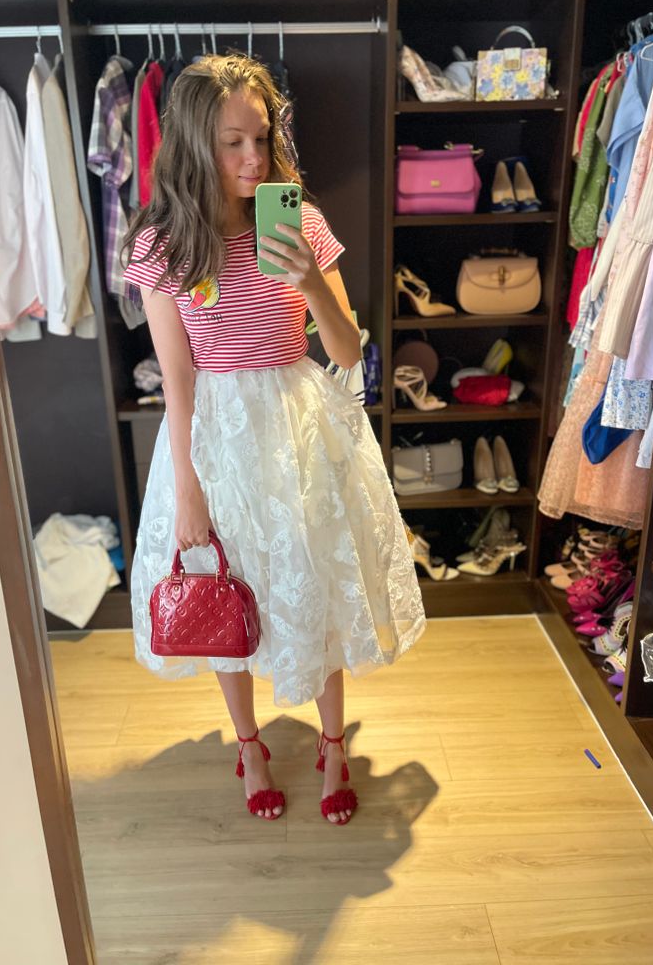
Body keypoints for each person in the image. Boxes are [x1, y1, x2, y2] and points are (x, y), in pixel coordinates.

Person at [123, 54, 426, 826]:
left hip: (300, 426)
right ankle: (250, 744)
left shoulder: (302, 224)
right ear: (195, 143)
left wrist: (311, 282)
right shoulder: (163, 245)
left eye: (261, 137)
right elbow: (178, 379)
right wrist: (188, 490)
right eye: (233, 142)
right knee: (226, 590)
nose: (254, 157)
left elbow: (349, 351)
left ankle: (334, 744)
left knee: (315, 585)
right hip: (215, 437)